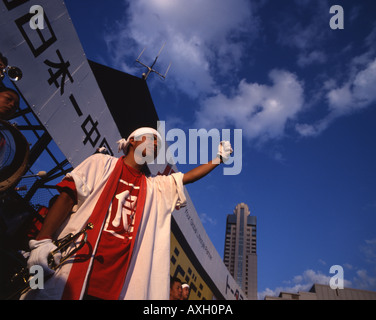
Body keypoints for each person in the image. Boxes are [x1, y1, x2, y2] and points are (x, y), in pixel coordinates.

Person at [22, 127, 233, 300]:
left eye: (159, 144)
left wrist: (218, 160)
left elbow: (186, 178)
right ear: (132, 141)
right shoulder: (101, 162)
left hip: (115, 284)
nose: (156, 144)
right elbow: (68, 194)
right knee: (35, 290)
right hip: (70, 263)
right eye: (151, 138)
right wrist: (42, 241)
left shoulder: (153, 187)